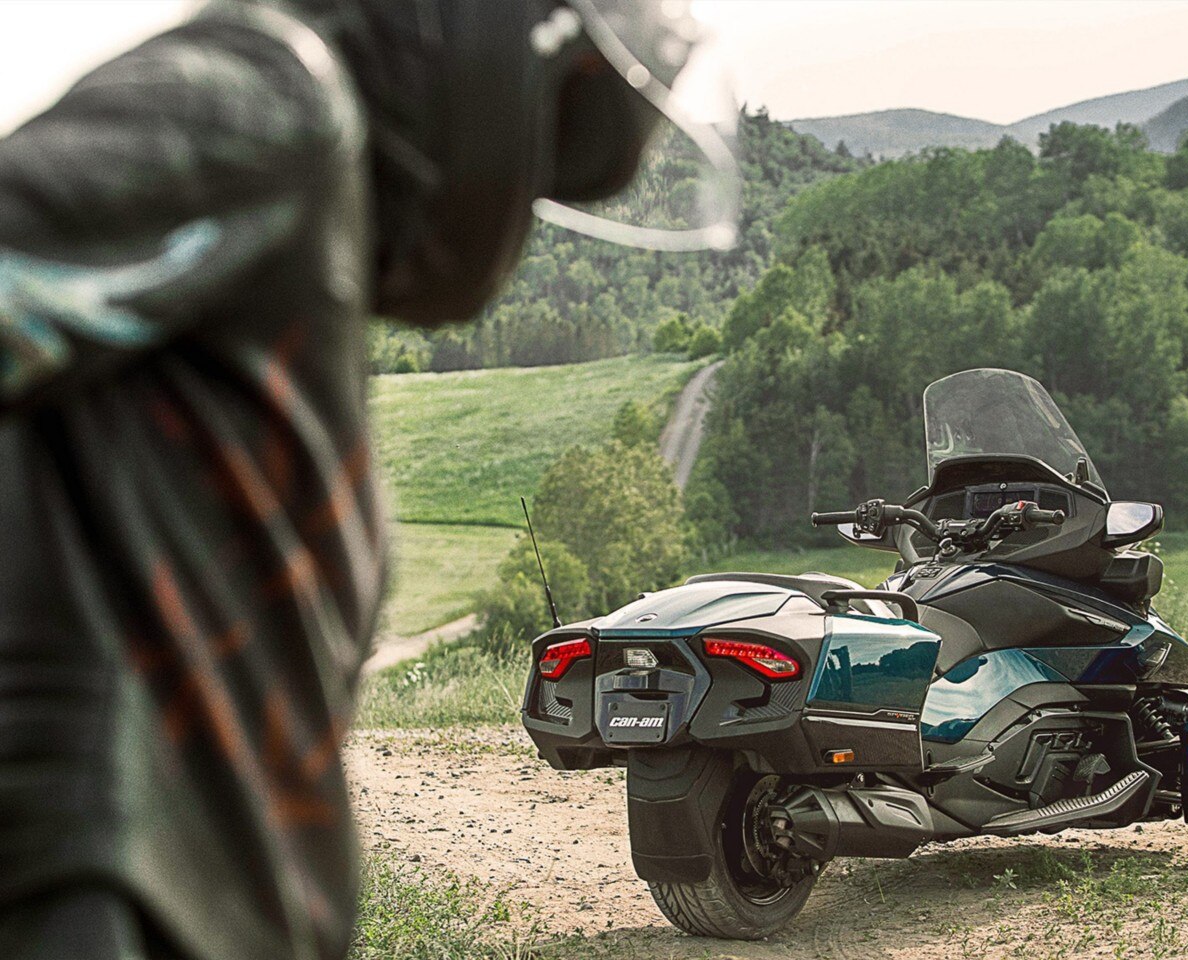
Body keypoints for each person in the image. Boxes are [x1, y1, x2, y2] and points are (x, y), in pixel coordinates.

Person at [0, 0, 736, 957]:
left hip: (193, 903)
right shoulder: (266, 96)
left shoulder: (308, 207)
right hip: (99, 893)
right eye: (552, 147)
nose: (526, 204)